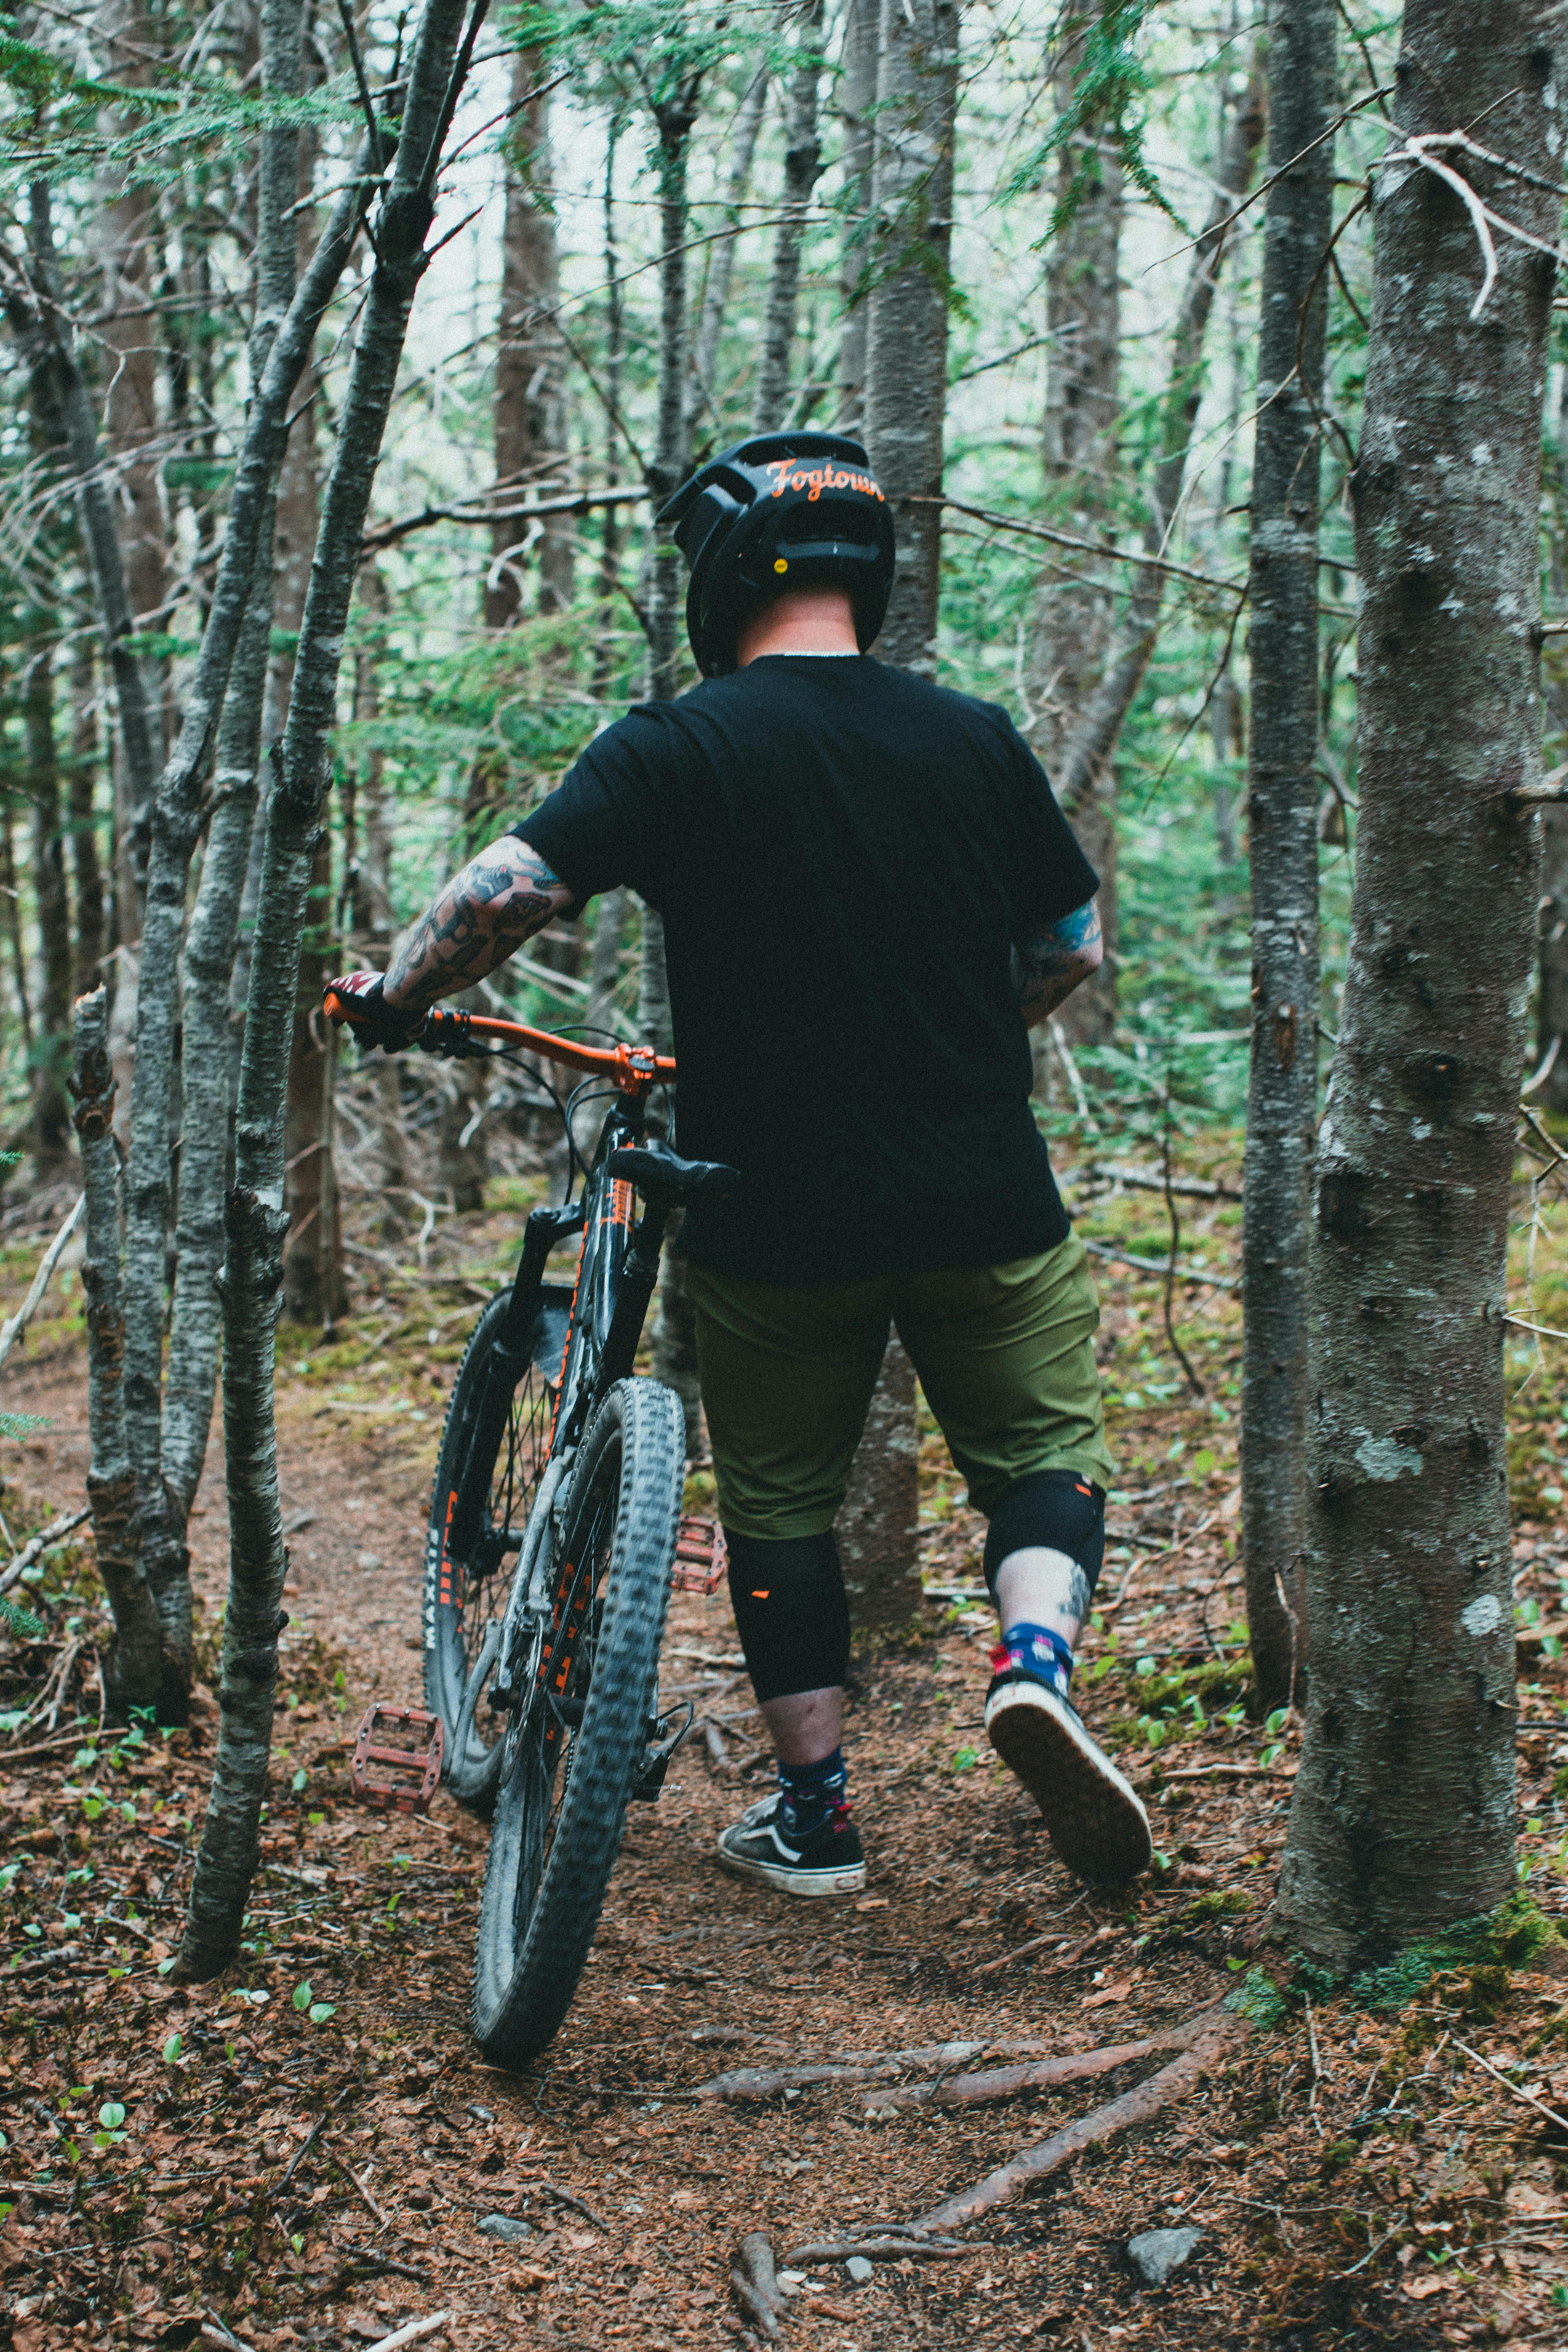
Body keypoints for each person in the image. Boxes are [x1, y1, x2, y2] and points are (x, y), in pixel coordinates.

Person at [327, 431, 1151, 1897]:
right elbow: (1074, 943)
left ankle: (818, 1815)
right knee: (1037, 1458)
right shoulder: (972, 735)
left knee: (779, 1503)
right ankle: (1034, 1667)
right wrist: (964, 1030)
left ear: (720, 576)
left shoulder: (681, 742)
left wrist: (397, 998)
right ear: (867, 577)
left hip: (776, 1214)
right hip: (985, 1191)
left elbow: (508, 887)